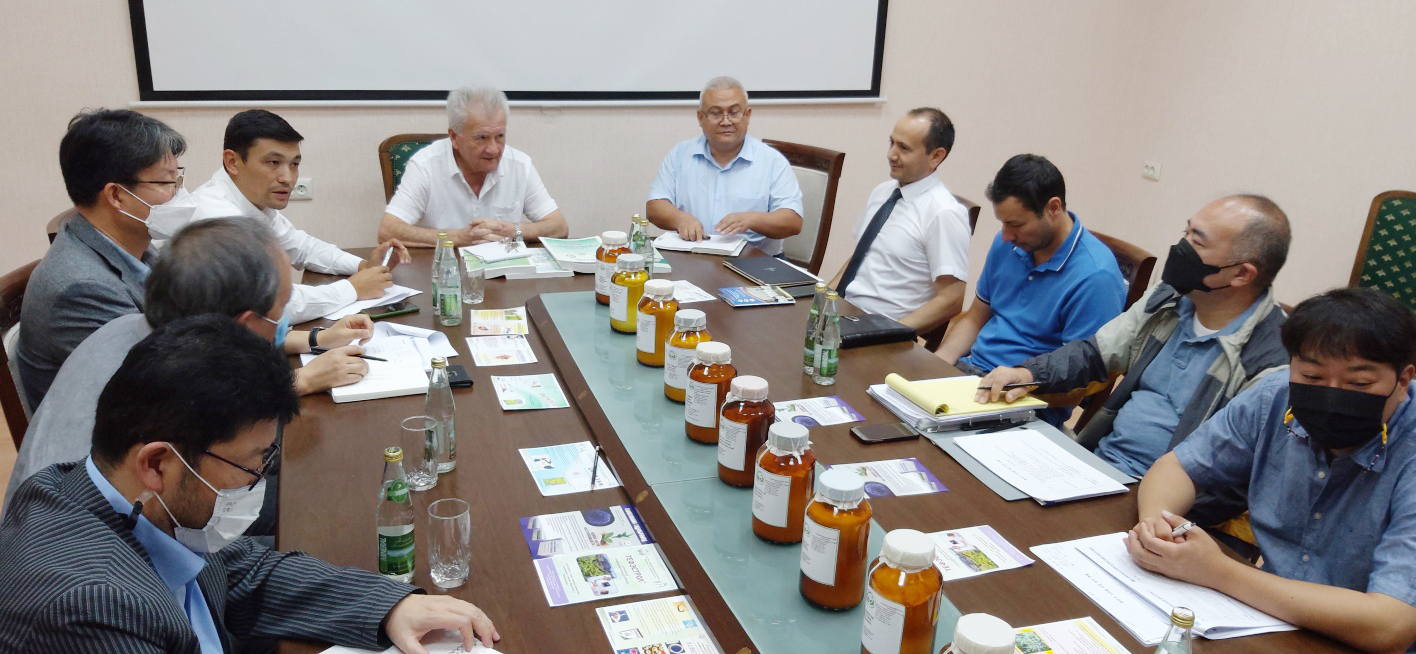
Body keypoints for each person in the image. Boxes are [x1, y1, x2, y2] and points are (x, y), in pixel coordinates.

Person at [0, 315, 499, 652]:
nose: (259, 481)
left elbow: (239, 572)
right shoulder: (85, 610)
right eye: (251, 464)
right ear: (157, 464)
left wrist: (390, 606)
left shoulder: (130, 501)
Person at [1125, 287, 1416, 653]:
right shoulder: (1275, 396)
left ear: (1403, 381)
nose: (1332, 395)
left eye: (1359, 384)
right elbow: (1178, 467)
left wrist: (1216, 571)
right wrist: (1158, 528)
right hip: (1267, 618)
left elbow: (1391, 625)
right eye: (1312, 377)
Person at [4, 218, 371, 506]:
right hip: (98, 553)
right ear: (242, 326)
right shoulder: (177, 388)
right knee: (313, 495)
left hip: (102, 521)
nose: (285, 320)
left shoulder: (137, 330)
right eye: (282, 308)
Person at [977, 195, 1292, 480]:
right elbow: (1095, 354)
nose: (1180, 247)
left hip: (1166, 503)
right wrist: (1029, 374)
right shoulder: (1169, 297)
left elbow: (1233, 476)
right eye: (1186, 232)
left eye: (1196, 241)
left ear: (1242, 274)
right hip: (1099, 465)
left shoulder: (1272, 364)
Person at [17, 108, 192, 408]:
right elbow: (157, 392)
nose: (178, 195)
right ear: (116, 196)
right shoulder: (80, 289)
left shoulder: (135, 246)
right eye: (167, 183)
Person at [190, 109, 410, 322]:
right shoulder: (214, 219)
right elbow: (269, 306)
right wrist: (352, 289)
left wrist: (363, 266)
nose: (287, 178)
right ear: (232, 162)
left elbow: (303, 247)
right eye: (273, 163)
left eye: (294, 164)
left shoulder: (250, 199)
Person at [936, 154, 1125, 378]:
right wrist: (937, 363)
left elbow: (1079, 376)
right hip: (972, 372)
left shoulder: (1096, 277)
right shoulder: (1007, 244)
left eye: (1016, 224)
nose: (1006, 236)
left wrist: (1016, 382)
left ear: (1053, 208)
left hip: (1024, 390)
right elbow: (975, 319)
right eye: (1003, 223)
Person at [829, 108, 970, 332]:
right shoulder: (882, 192)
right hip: (845, 313)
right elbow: (860, 256)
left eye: (904, 148)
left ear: (936, 156)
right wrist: (822, 300)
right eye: (892, 143)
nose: (891, 155)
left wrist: (888, 334)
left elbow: (951, 299)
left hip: (880, 328)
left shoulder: (944, 213)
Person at [378, 85, 569, 247]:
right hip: (445, 270)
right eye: (481, 138)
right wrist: (457, 237)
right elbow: (388, 231)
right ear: (454, 137)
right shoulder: (425, 166)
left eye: (500, 136)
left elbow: (558, 226)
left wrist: (514, 230)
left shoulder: (519, 165)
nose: (493, 149)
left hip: (503, 272)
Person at [646, 76, 803, 256]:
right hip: (693, 259)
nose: (726, 121)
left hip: (753, 264)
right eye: (716, 113)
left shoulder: (772, 161)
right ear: (700, 118)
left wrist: (751, 219)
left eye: (734, 112)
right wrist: (680, 219)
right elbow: (655, 206)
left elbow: (793, 221)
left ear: (747, 115)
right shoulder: (680, 155)